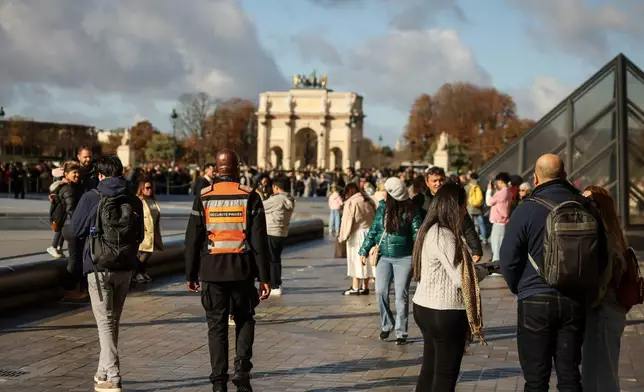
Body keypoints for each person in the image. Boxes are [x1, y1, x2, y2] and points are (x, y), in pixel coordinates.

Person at [499, 153, 607, 392]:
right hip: (574, 300)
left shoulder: (526, 209)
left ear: (535, 179)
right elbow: (602, 255)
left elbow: (508, 258)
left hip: (534, 298)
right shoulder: (585, 205)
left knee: (536, 379)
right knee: (569, 375)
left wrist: (520, 287)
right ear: (565, 175)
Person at [184, 149, 271, 392]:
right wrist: (265, 277)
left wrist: (190, 273)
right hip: (242, 271)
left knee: (216, 327)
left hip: (212, 271)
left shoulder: (204, 197)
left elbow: (192, 238)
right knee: (245, 319)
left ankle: (218, 381)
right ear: (237, 168)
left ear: (216, 169)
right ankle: (242, 370)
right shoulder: (250, 196)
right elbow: (259, 241)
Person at [71, 155, 144, 392]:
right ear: (121, 173)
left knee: (105, 323)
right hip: (125, 267)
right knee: (113, 322)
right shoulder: (134, 199)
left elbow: (75, 231)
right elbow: (140, 235)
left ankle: (113, 377)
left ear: (100, 175)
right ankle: (102, 370)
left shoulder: (92, 196)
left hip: (98, 267)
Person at [412, 182, 488, 391]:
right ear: (453, 207)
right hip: (444, 311)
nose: (465, 210)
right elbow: (462, 277)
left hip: (424, 306)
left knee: (429, 369)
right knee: (445, 375)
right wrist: (486, 270)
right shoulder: (444, 235)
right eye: (463, 205)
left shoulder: (429, 230)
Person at [359, 178, 422, 345]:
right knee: (380, 291)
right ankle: (387, 324)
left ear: (393, 194)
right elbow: (374, 231)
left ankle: (401, 332)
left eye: (386, 191)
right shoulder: (382, 208)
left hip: (404, 258)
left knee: (401, 296)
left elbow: (418, 235)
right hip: (383, 256)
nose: (383, 193)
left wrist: (418, 258)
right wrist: (364, 250)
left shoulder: (411, 210)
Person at [581, 186, 628, 392]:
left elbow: (604, 280)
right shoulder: (616, 233)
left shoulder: (605, 237)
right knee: (603, 371)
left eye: (589, 202)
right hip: (612, 310)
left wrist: (589, 303)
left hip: (603, 311)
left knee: (601, 374)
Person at [424, 167, 483, 263]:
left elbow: (467, 226)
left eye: (441, 180)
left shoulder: (454, 200)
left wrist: (476, 250)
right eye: (434, 181)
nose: (438, 184)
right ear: (427, 183)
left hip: (451, 248)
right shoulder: (421, 202)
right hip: (429, 251)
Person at [54, 161, 87, 300]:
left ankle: (76, 289)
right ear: (66, 174)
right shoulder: (68, 190)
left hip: (71, 226)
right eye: (74, 172)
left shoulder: (71, 187)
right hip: (72, 226)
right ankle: (69, 290)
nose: (77, 175)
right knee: (74, 260)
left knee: (78, 259)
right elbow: (72, 211)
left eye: (78, 172)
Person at [339, 183, 377, 295]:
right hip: (369, 233)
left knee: (355, 260)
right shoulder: (368, 200)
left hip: (356, 234)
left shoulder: (351, 203)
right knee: (366, 261)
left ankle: (355, 287)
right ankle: (365, 287)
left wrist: (343, 236)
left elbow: (347, 221)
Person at [262, 176, 295, 296]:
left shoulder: (278, 199)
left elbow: (261, 205)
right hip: (282, 232)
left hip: (272, 231)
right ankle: (276, 283)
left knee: (272, 259)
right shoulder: (289, 198)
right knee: (276, 258)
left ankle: (275, 285)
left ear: (276, 187)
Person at [134, 179, 163, 284]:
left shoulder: (152, 200)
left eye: (151, 188)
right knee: (145, 252)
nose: (149, 190)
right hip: (143, 231)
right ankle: (137, 273)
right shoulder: (139, 200)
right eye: (147, 188)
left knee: (147, 252)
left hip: (153, 231)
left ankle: (142, 272)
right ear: (142, 189)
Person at [486, 172, 512, 266]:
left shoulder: (502, 193)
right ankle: (497, 266)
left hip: (499, 222)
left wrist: (489, 190)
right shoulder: (508, 192)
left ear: (500, 181)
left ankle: (497, 267)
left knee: (496, 246)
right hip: (503, 222)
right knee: (498, 245)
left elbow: (488, 202)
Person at [466, 173, 487, 245]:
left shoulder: (467, 187)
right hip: (479, 209)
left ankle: (472, 239)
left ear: (470, 178)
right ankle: (484, 239)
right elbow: (483, 198)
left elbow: (465, 197)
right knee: (481, 224)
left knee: (470, 225)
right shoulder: (480, 186)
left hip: (470, 209)